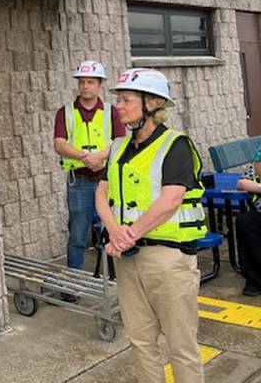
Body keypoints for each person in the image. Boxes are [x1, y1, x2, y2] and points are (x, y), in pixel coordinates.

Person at [95, 68, 207, 383]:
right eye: (118, 99)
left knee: (181, 346)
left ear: (153, 103)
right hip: (128, 258)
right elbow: (101, 194)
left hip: (167, 260)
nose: (118, 106)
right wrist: (115, 231)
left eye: (126, 100)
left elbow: (171, 199)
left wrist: (126, 235)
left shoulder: (176, 145)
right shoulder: (117, 147)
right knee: (140, 342)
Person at [54, 60, 124, 272]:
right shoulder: (65, 112)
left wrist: (99, 157)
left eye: (90, 82)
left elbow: (121, 143)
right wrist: (87, 158)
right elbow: (59, 144)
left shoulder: (112, 112)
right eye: (82, 82)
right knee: (77, 234)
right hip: (79, 182)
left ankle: (115, 276)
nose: (85, 86)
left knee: (113, 229)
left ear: (100, 84)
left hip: (108, 181)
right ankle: (75, 279)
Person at [236, 144, 261, 296]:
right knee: (244, 222)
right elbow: (241, 183)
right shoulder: (254, 169)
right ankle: (254, 280)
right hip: (258, 215)